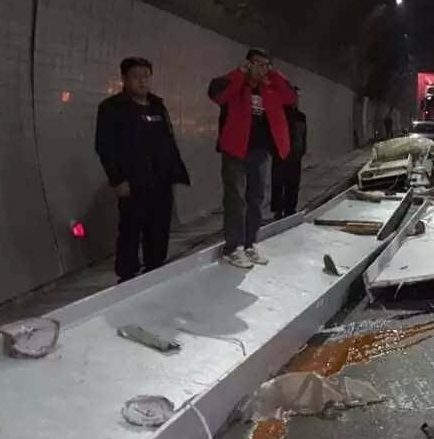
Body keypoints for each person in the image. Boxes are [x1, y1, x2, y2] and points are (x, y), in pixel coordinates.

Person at [94, 57, 191, 282]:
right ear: (125, 79)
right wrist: (117, 179)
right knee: (130, 229)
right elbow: (104, 147)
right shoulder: (112, 108)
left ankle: (155, 270)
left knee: (159, 229)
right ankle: (127, 276)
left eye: (146, 77)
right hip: (133, 181)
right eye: (136, 77)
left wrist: (175, 172)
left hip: (161, 180)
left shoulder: (158, 106)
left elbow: (168, 141)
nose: (142, 82)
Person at [208, 48, 295, 269]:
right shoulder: (235, 85)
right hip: (235, 151)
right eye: (257, 63)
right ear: (247, 64)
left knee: (256, 199)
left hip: (259, 152)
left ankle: (250, 244)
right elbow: (217, 94)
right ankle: (232, 248)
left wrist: (273, 74)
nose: (261, 69)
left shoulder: (270, 88)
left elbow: (290, 96)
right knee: (236, 200)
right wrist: (240, 73)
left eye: (266, 64)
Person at [270, 86, 308, 220]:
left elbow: (303, 135)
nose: (297, 100)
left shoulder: (301, 116)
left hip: (296, 154)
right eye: (294, 96)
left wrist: (302, 150)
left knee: (293, 183)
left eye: (298, 97)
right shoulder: (280, 114)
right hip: (281, 154)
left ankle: (290, 209)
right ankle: (279, 210)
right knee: (279, 183)